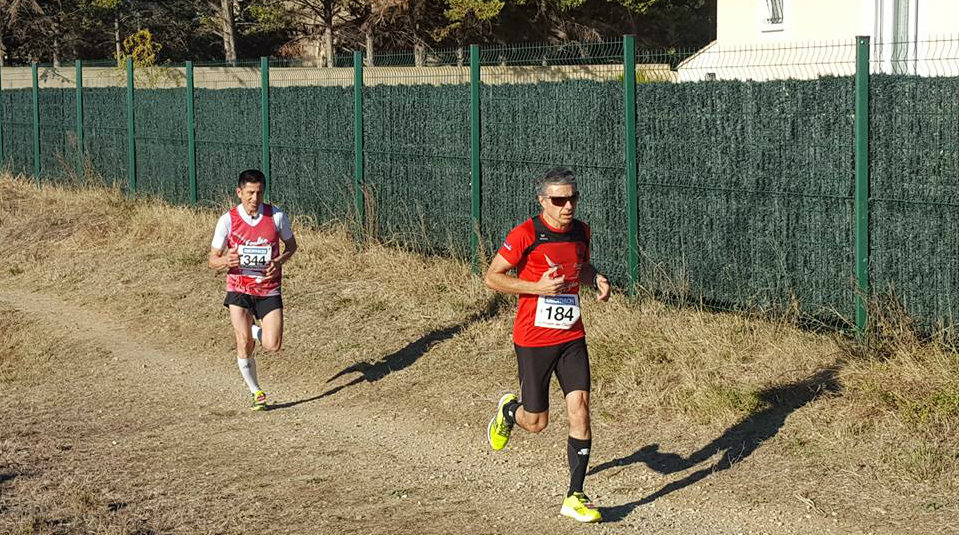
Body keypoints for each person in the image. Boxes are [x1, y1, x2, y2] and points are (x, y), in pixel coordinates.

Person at [484, 166, 611, 523]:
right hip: (533, 339)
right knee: (537, 422)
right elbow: (492, 277)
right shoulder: (526, 233)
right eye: (559, 199)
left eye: (573, 198)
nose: (567, 206)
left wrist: (596, 278)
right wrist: (537, 288)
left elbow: (581, 267)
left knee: (581, 408)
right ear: (543, 201)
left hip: (571, 335)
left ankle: (574, 496)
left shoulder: (582, 231)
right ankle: (510, 411)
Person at [208, 169, 297, 411]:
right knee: (243, 341)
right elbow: (212, 260)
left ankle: (254, 329)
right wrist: (227, 260)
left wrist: (278, 262)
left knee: (272, 345)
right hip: (238, 288)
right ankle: (256, 391)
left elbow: (291, 246)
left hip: (268, 288)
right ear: (239, 193)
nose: (254, 199)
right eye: (249, 193)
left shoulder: (276, 216)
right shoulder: (227, 220)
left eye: (258, 193)